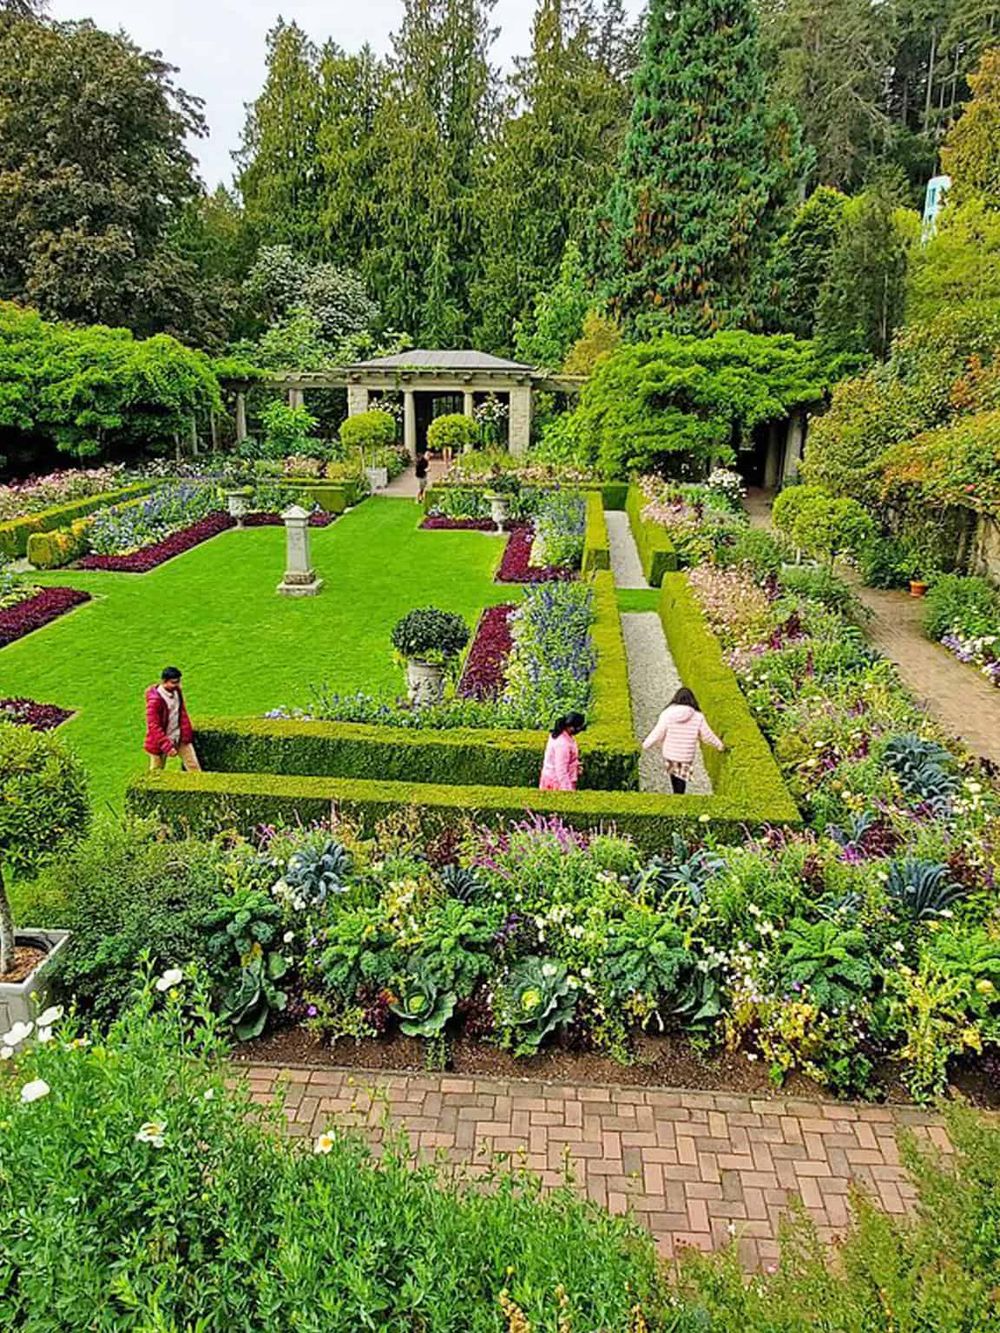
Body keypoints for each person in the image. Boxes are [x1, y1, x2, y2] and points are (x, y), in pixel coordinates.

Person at [642, 687, 724, 794]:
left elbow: (657, 733)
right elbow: (707, 736)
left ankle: (676, 798)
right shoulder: (698, 716)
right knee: (681, 783)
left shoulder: (667, 713)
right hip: (685, 756)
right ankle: (679, 798)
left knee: (674, 778)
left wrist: (644, 745)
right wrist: (720, 746)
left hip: (670, 754)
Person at [144, 666, 201, 771]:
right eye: (174, 682)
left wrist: (186, 734)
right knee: (156, 773)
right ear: (164, 682)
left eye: (178, 682)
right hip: (160, 743)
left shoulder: (177, 691)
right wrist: (167, 746)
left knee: (194, 767)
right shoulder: (155, 702)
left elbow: (182, 712)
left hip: (179, 737)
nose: (178, 685)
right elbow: (154, 726)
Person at [539, 712, 585, 791]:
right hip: (557, 783)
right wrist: (567, 790)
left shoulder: (564, 736)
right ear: (571, 727)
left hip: (554, 778)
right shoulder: (562, 744)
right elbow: (561, 770)